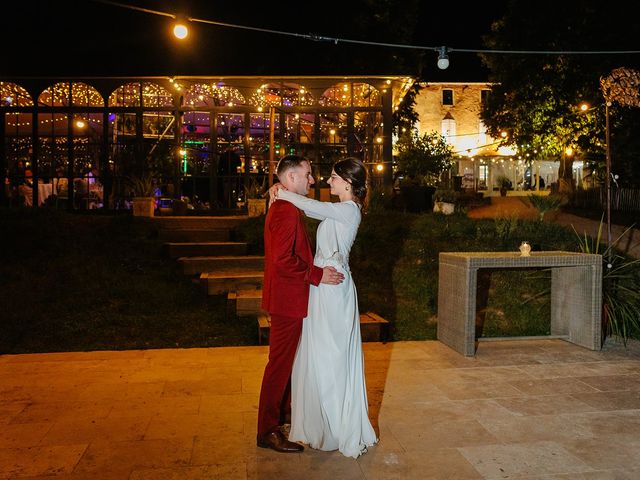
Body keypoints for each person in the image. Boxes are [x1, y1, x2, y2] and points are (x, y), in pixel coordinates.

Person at [269, 157, 378, 459]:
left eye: (332, 177)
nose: (326, 181)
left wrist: (280, 190)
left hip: (334, 290)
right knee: (318, 353)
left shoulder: (349, 210)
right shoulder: (338, 211)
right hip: (321, 288)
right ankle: (320, 420)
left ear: (348, 182)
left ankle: (335, 427)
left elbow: (309, 207)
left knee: (332, 355)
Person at [257, 155, 345, 453]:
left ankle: (282, 419)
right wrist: (317, 275)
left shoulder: (286, 206)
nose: (312, 180)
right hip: (287, 299)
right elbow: (283, 261)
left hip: (286, 297)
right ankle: (268, 430)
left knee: (286, 363)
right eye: (307, 175)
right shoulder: (286, 212)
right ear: (291, 177)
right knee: (279, 365)